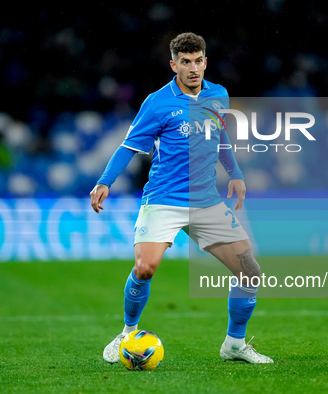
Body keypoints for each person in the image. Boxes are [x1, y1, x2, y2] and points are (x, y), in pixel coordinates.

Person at [90, 32, 273, 364]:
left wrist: (235, 174)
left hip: (206, 201)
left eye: (198, 60)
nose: (193, 68)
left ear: (206, 61)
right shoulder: (158, 102)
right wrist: (105, 182)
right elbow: (129, 145)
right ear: (173, 64)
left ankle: (234, 344)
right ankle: (127, 332)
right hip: (164, 199)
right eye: (185, 62)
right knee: (145, 268)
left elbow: (220, 139)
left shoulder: (218, 95)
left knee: (250, 270)